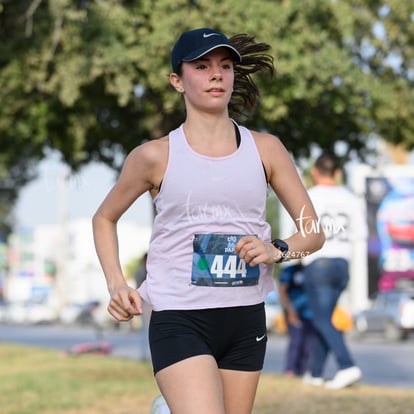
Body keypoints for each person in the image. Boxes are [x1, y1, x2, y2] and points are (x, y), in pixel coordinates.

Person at [92, 27, 324, 414]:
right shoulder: (155, 156)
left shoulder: (266, 150)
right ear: (177, 81)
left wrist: (275, 250)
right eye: (201, 66)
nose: (216, 74)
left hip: (245, 316)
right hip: (179, 317)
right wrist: (117, 284)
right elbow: (104, 218)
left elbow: (313, 232)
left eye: (225, 65)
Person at [301, 152, 367, 389]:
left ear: (315, 172)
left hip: (318, 262)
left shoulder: (308, 196)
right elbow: (360, 236)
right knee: (324, 320)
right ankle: (316, 373)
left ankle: (347, 365)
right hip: (342, 263)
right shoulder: (351, 199)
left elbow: (299, 233)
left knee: (321, 319)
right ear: (338, 173)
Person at [278, 262, 314, 377]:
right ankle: (290, 370)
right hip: (294, 312)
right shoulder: (290, 271)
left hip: (310, 314)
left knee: (308, 345)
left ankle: (303, 371)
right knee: (296, 342)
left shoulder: (312, 270)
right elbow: (282, 291)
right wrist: (290, 311)